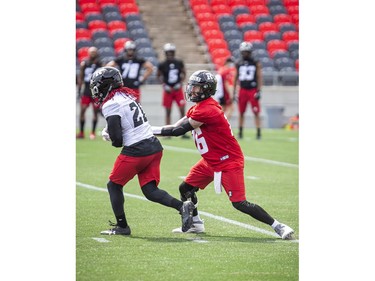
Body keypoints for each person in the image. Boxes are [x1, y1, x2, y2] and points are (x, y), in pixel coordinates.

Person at [151, 70, 294, 239]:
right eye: (192, 86)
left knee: (239, 203)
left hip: (228, 162)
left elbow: (176, 131)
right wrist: (147, 130)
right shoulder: (200, 107)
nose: (192, 90)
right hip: (211, 161)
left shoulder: (207, 110)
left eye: (196, 87)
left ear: (206, 89)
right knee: (186, 188)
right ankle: (196, 224)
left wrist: (144, 131)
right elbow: (175, 125)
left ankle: (279, 226)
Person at [89, 66, 195, 235]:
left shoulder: (110, 103)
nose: (95, 89)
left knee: (113, 185)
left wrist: (108, 134)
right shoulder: (127, 96)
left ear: (106, 85)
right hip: (154, 146)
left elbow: (118, 141)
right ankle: (182, 206)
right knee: (150, 190)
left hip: (137, 150)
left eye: (97, 85)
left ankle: (122, 226)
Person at [157, 43, 189, 138]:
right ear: (165, 53)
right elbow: (158, 75)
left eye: (171, 52)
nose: (170, 54)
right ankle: (167, 133)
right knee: (168, 111)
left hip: (177, 89)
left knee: (182, 110)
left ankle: (183, 131)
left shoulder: (179, 62)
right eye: (168, 52)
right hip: (168, 90)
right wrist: (164, 85)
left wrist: (180, 82)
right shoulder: (162, 64)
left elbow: (184, 73)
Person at [233, 41, 263, 140]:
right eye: (244, 51)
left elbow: (259, 76)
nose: (245, 53)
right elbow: (235, 77)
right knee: (241, 112)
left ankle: (258, 133)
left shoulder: (255, 62)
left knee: (256, 112)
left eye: (247, 51)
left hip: (252, 89)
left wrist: (259, 90)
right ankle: (240, 132)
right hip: (242, 90)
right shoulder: (238, 62)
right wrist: (234, 91)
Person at [77, 46, 102, 139]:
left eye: (94, 52)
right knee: (82, 110)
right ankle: (81, 133)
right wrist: (79, 89)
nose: (92, 54)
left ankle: (93, 132)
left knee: (95, 112)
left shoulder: (100, 64)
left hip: (96, 91)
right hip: (87, 90)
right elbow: (80, 77)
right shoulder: (85, 64)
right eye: (91, 52)